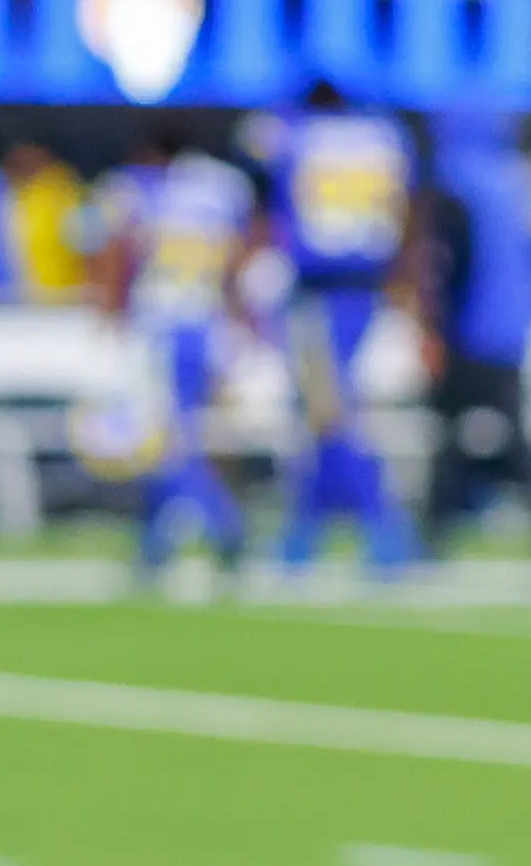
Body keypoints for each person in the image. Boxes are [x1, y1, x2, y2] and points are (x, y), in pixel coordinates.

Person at [93, 131, 258, 575]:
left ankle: (225, 526)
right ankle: (153, 544)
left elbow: (120, 251)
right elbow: (237, 259)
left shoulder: (142, 188)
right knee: (170, 438)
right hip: (205, 325)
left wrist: (111, 312)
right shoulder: (222, 188)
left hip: (163, 326)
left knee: (168, 443)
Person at [270, 83, 415, 572]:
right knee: (327, 413)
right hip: (367, 284)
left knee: (332, 414)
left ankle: (379, 529)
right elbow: (403, 209)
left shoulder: (299, 133)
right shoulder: (383, 135)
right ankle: (310, 531)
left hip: (320, 289)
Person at [418, 107, 531, 563]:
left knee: (455, 433)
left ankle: (434, 533)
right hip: (514, 325)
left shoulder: (457, 180)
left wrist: (437, 326)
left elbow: (453, 262)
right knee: (510, 432)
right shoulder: (520, 178)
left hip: (472, 324)